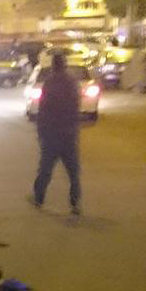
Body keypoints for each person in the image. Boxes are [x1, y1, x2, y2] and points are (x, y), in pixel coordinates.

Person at [32, 52, 81, 215]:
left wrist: (41, 131)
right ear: (65, 65)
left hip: (52, 134)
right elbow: (75, 107)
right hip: (68, 134)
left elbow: (43, 109)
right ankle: (75, 202)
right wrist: (74, 130)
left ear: (53, 65)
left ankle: (38, 198)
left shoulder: (49, 82)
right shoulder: (72, 82)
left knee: (45, 169)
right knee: (73, 172)